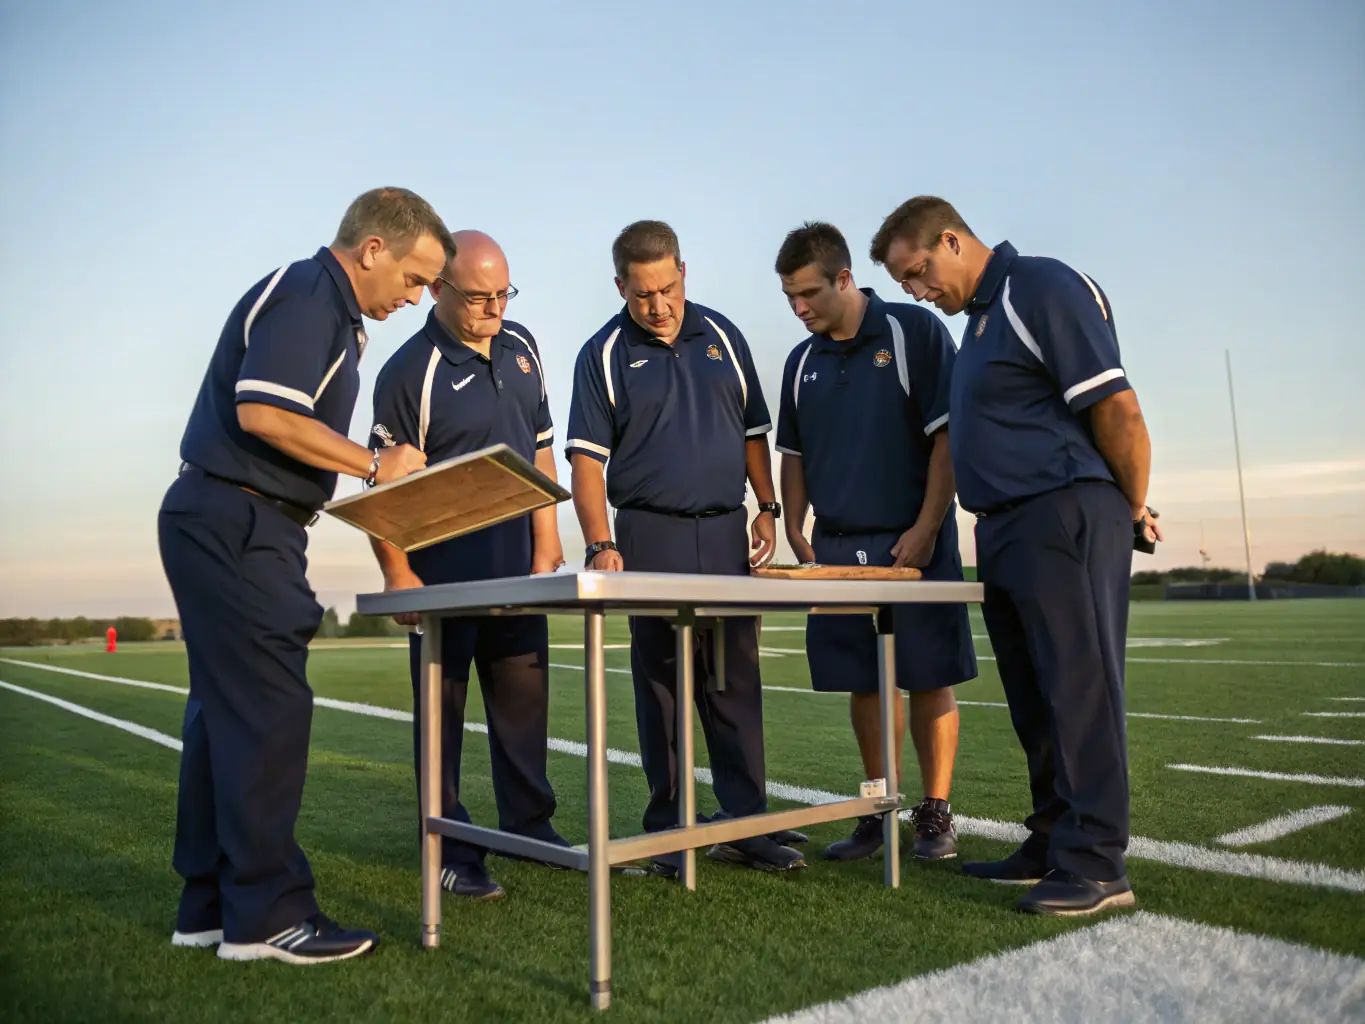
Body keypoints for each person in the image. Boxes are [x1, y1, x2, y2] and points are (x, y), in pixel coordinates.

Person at [159, 187, 453, 962]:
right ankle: (267, 917)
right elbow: (262, 411)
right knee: (266, 712)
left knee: (222, 717)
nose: (417, 297)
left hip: (226, 513)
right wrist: (373, 466)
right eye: (416, 279)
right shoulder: (311, 295)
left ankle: (210, 907)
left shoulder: (321, 303)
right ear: (373, 250)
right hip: (240, 519)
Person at [870, 196, 1161, 916]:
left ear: (950, 240)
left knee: (1078, 691)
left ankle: (1097, 864)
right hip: (1004, 527)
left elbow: (1116, 407)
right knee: (1035, 700)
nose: (915, 291)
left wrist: (1128, 504)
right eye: (904, 282)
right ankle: (1051, 838)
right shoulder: (978, 323)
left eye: (917, 272)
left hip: (1059, 511)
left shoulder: (1038, 286)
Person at [564, 219, 806, 876]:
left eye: (667, 287)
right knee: (665, 685)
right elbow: (585, 463)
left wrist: (769, 508)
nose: (659, 304)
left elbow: (754, 431)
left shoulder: (722, 334)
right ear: (621, 286)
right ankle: (669, 830)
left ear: (683, 273)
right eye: (643, 294)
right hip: (650, 535)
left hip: (726, 532)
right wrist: (599, 544)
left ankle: (746, 823)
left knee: (732, 682)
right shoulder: (603, 353)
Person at [368, 230, 566, 902]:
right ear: (436, 289)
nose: (495, 308)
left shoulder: (523, 347)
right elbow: (384, 488)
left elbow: (541, 450)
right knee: (441, 717)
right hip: (443, 577)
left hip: (516, 568)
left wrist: (547, 546)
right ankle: (451, 847)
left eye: (504, 293)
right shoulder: (408, 371)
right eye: (479, 297)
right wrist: (399, 577)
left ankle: (531, 827)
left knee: (523, 706)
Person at [773, 221, 977, 864]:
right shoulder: (800, 360)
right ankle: (877, 806)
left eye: (809, 293)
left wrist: (925, 527)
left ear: (844, 278)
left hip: (914, 541)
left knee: (929, 675)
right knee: (865, 681)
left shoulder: (913, 332)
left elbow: (947, 438)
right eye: (789, 298)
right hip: (837, 548)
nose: (800, 308)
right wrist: (794, 524)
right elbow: (794, 452)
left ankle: (935, 813)